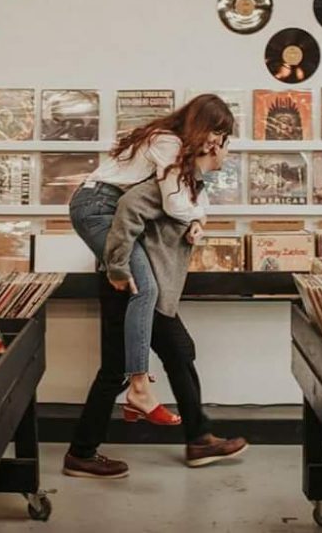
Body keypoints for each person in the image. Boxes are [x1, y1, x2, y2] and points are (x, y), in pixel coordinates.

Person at [64, 95, 246, 478]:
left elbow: (189, 199)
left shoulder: (178, 166)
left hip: (126, 250)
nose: (218, 144)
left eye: (222, 138)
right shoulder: (168, 147)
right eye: (218, 134)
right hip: (107, 226)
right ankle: (145, 402)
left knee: (165, 352)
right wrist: (115, 265)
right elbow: (149, 206)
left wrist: (200, 219)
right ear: (202, 128)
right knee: (142, 348)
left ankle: (191, 436)